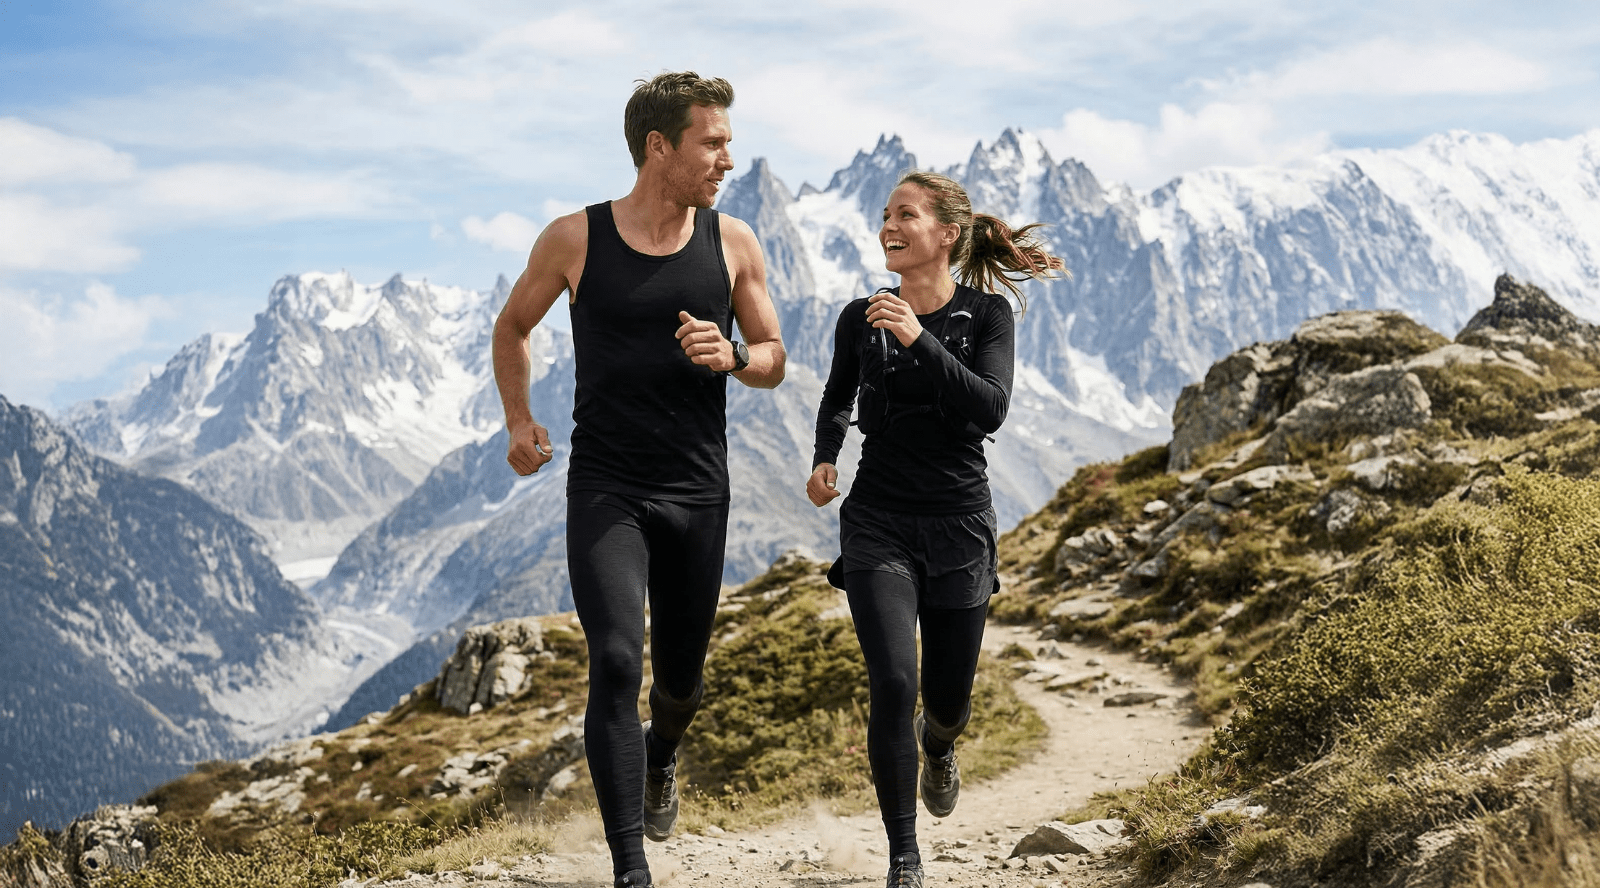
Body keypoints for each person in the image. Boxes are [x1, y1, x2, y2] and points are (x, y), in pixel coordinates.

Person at [493, 71, 785, 888]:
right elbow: (514, 326)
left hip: (699, 493)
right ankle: (631, 868)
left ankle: (662, 758)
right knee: (618, 663)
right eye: (713, 141)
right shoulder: (574, 239)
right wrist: (519, 421)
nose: (729, 157)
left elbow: (774, 358)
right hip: (607, 488)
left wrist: (733, 357)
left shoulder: (733, 244)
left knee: (681, 681)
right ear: (660, 146)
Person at [806, 170, 1065, 888]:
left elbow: (989, 408)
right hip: (878, 524)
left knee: (945, 701)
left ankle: (941, 745)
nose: (888, 225)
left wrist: (920, 339)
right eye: (885, 214)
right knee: (893, 681)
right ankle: (904, 856)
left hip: (958, 525)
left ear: (946, 235)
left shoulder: (986, 317)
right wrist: (826, 458)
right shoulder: (860, 315)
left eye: (905, 215)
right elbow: (836, 397)